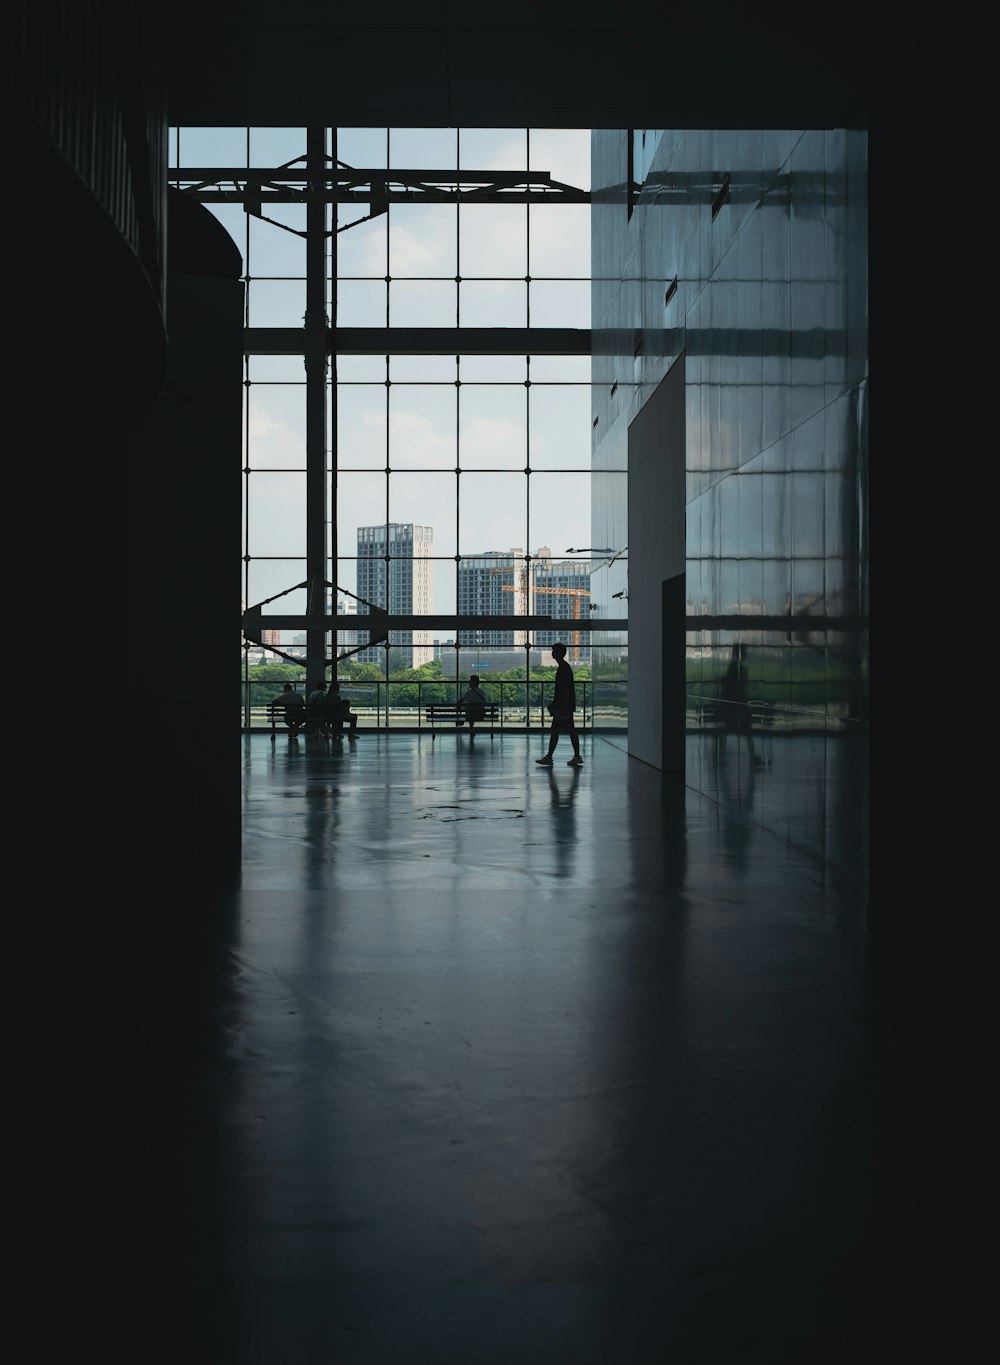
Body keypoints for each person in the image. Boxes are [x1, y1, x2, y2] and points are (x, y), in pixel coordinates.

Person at [536, 642, 582, 766]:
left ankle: (550, 757)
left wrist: (563, 706)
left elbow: (565, 689)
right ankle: (576, 756)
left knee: (556, 730)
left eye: (553, 651)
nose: (552, 653)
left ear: (556, 653)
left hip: (563, 706)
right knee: (569, 730)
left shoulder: (563, 668)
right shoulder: (564, 667)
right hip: (565, 705)